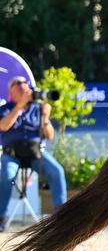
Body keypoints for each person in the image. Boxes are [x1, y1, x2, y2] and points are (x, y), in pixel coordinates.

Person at [0, 77, 66, 231]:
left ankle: (61, 216)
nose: (25, 89)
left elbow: (49, 136)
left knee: (57, 171)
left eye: (26, 87)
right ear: (11, 92)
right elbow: (3, 126)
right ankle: (1, 217)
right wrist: (19, 107)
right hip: (12, 155)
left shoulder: (37, 108)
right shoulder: (6, 108)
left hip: (35, 154)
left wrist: (45, 118)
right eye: (20, 87)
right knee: (6, 176)